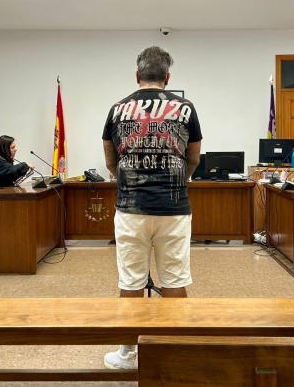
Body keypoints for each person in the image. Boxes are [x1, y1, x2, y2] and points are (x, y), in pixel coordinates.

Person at [101, 46, 202, 369]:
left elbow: (110, 161)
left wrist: (129, 178)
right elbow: (194, 157)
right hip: (174, 208)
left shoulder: (117, 110)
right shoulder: (186, 108)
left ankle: (128, 354)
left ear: (137, 75)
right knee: (175, 279)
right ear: (167, 78)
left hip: (131, 208)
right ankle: (176, 352)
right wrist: (177, 179)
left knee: (130, 281)